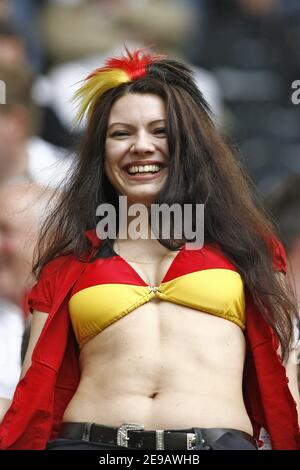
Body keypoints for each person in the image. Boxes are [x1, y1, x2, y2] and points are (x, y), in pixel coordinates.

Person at [0, 48, 299, 451]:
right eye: (121, 133)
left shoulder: (249, 250)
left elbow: (285, 381)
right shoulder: (67, 262)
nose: (141, 146)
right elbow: (32, 391)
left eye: (160, 131)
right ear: (101, 153)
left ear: (189, 145)